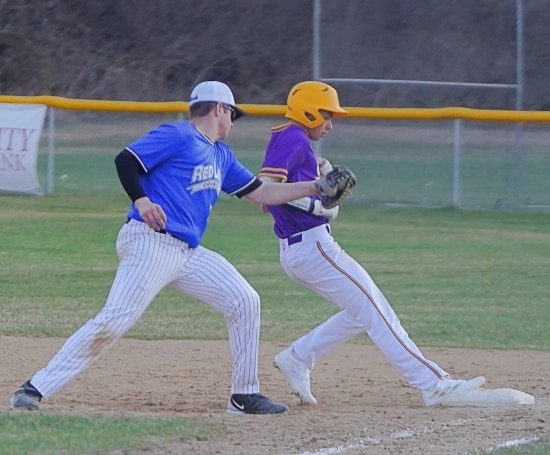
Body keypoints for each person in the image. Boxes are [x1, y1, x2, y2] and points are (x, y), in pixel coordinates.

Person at [9, 80, 340, 415]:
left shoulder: (222, 156)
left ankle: (244, 395)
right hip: (149, 242)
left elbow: (263, 193)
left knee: (244, 299)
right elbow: (126, 160)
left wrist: (315, 186)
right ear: (218, 109)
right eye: (232, 114)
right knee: (115, 319)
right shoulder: (180, 135)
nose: (232, 123)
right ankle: (34, 388)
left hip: (187, 253)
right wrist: (142, 200)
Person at [257, 80, 486, 407]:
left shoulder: (291, 139)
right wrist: (315, 197)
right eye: (326, 115)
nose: (330, 124)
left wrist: (314, 190)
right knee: (377, 310)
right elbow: (264, 195)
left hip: (301, 249)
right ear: (308, 111)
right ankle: (433, 384)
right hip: (312, 248)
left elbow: (271, 198)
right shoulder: (292, 136)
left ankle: (298, 356)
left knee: (363, 310)